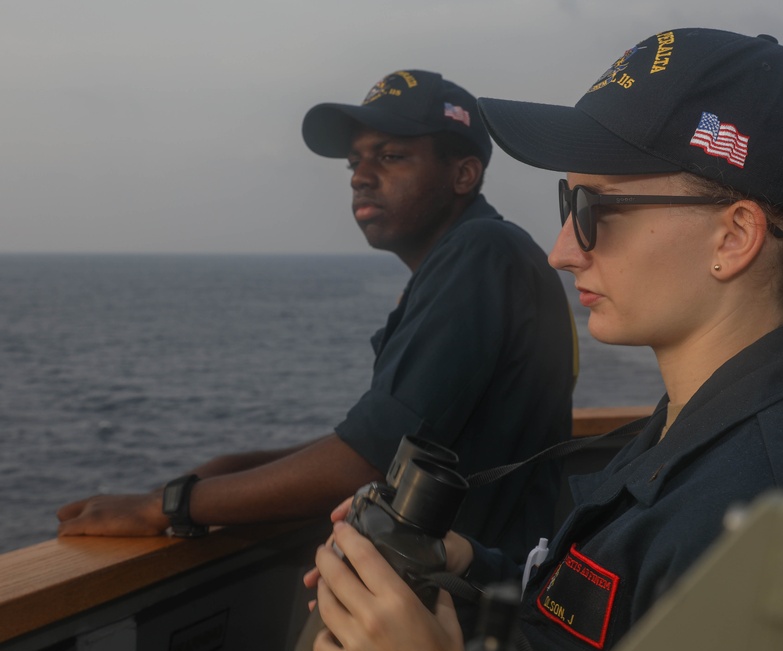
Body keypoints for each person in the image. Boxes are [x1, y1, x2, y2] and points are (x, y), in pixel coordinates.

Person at [306, 29, 783, 651]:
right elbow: (592, 619)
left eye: (593, 207)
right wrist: (468, 566)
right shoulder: (684, 438)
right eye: (567, 200)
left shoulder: (755, 514)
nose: (562, 251)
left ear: (734, 238)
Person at [56, 70, 576, 561]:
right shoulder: (476, 258)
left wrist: (168, 504)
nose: (361, 178)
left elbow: (371, 460)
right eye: (355, 162)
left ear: (463, 174)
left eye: (390, 156)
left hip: (486, 595)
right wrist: (237, 468)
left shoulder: (482, 253)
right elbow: (393, 436)